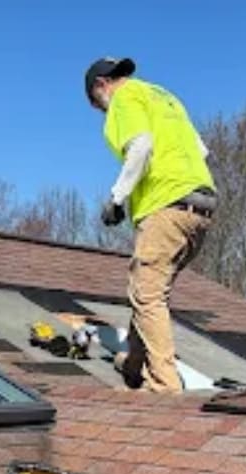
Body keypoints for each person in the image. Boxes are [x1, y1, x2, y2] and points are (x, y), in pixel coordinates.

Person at [85, 57, 217, 393]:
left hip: (167, 204)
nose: (103, 111)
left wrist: (117, 199)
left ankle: (164, 386)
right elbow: (201, 150)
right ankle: (134, 362)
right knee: (149, 288)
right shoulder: (164, 97)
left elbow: (140, 146)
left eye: (98, 105)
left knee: (147, 293)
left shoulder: (124, 98)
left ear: (101, 86)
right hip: (200, 205)